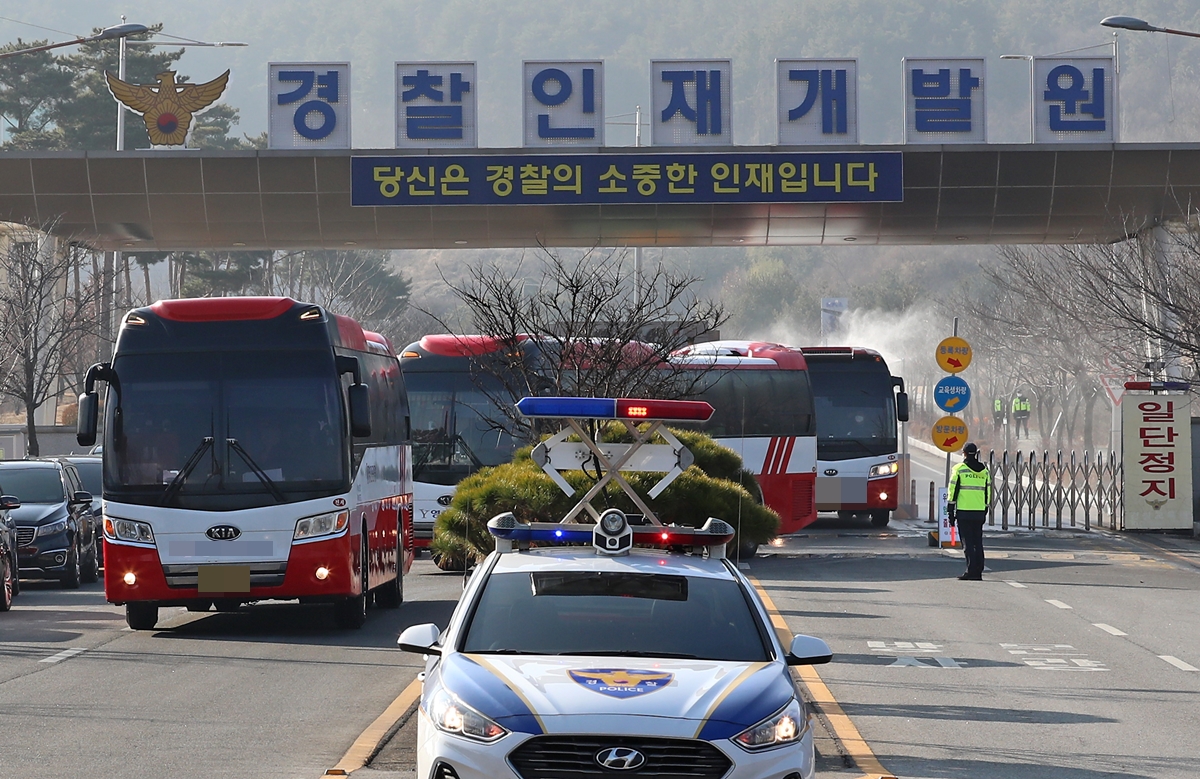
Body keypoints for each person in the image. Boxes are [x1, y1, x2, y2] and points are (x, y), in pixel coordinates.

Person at [947, 442, 991, 581]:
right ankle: (979, 571)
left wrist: (950, 510)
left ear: (964, 453)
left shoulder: (959, 469)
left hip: (964, 511)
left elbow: (953, 491)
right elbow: (988, 492)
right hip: (979, 511)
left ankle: (971, 571)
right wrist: (985, 508)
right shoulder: (984, 471)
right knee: (977, 541)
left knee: (967, 543)